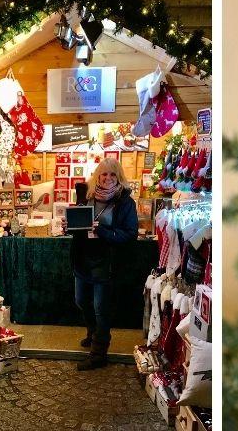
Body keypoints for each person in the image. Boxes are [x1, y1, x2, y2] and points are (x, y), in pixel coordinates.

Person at [69, 158, 138, 370]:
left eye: (113, 175)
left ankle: (99, 353)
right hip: (83, 259)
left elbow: (130, 234)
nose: (108, 178)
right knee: (82, 300)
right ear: (97, 176)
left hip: (106, 263)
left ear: (119, 178)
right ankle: (93, 332)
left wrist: (102, 231)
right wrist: (69, 226)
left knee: (101, 308)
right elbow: (81, 225)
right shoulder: (88, 196)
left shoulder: (125, 202)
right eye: (104, 174)